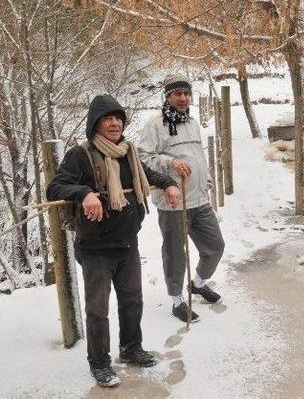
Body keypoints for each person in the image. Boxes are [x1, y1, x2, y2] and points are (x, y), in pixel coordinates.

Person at [46, 94, 181, 388]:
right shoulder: (81, 155)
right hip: (95, 246)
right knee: (97, 308)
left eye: (118, 118)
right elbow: (55, 186)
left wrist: (168, 183)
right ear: (96, 124)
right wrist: (85, 193)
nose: (114, 123)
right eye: (108, 118)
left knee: (132, 299)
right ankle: (100, 362)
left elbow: (147, 174)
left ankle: (131, 348)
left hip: (126, 240)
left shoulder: (127, 153)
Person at [138, 74, 225, 323]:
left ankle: (197, 284)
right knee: (176, 253)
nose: (184, 98)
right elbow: (144, 158)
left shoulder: (192, 122)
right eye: (178, 94)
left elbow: (197, 155)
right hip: (173, 202)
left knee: (215, 246)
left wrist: (205, 181)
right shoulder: (155, 125)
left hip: (199, 199)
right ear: (168, 97)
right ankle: (177, 300)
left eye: (186, 94)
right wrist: (170, 162)